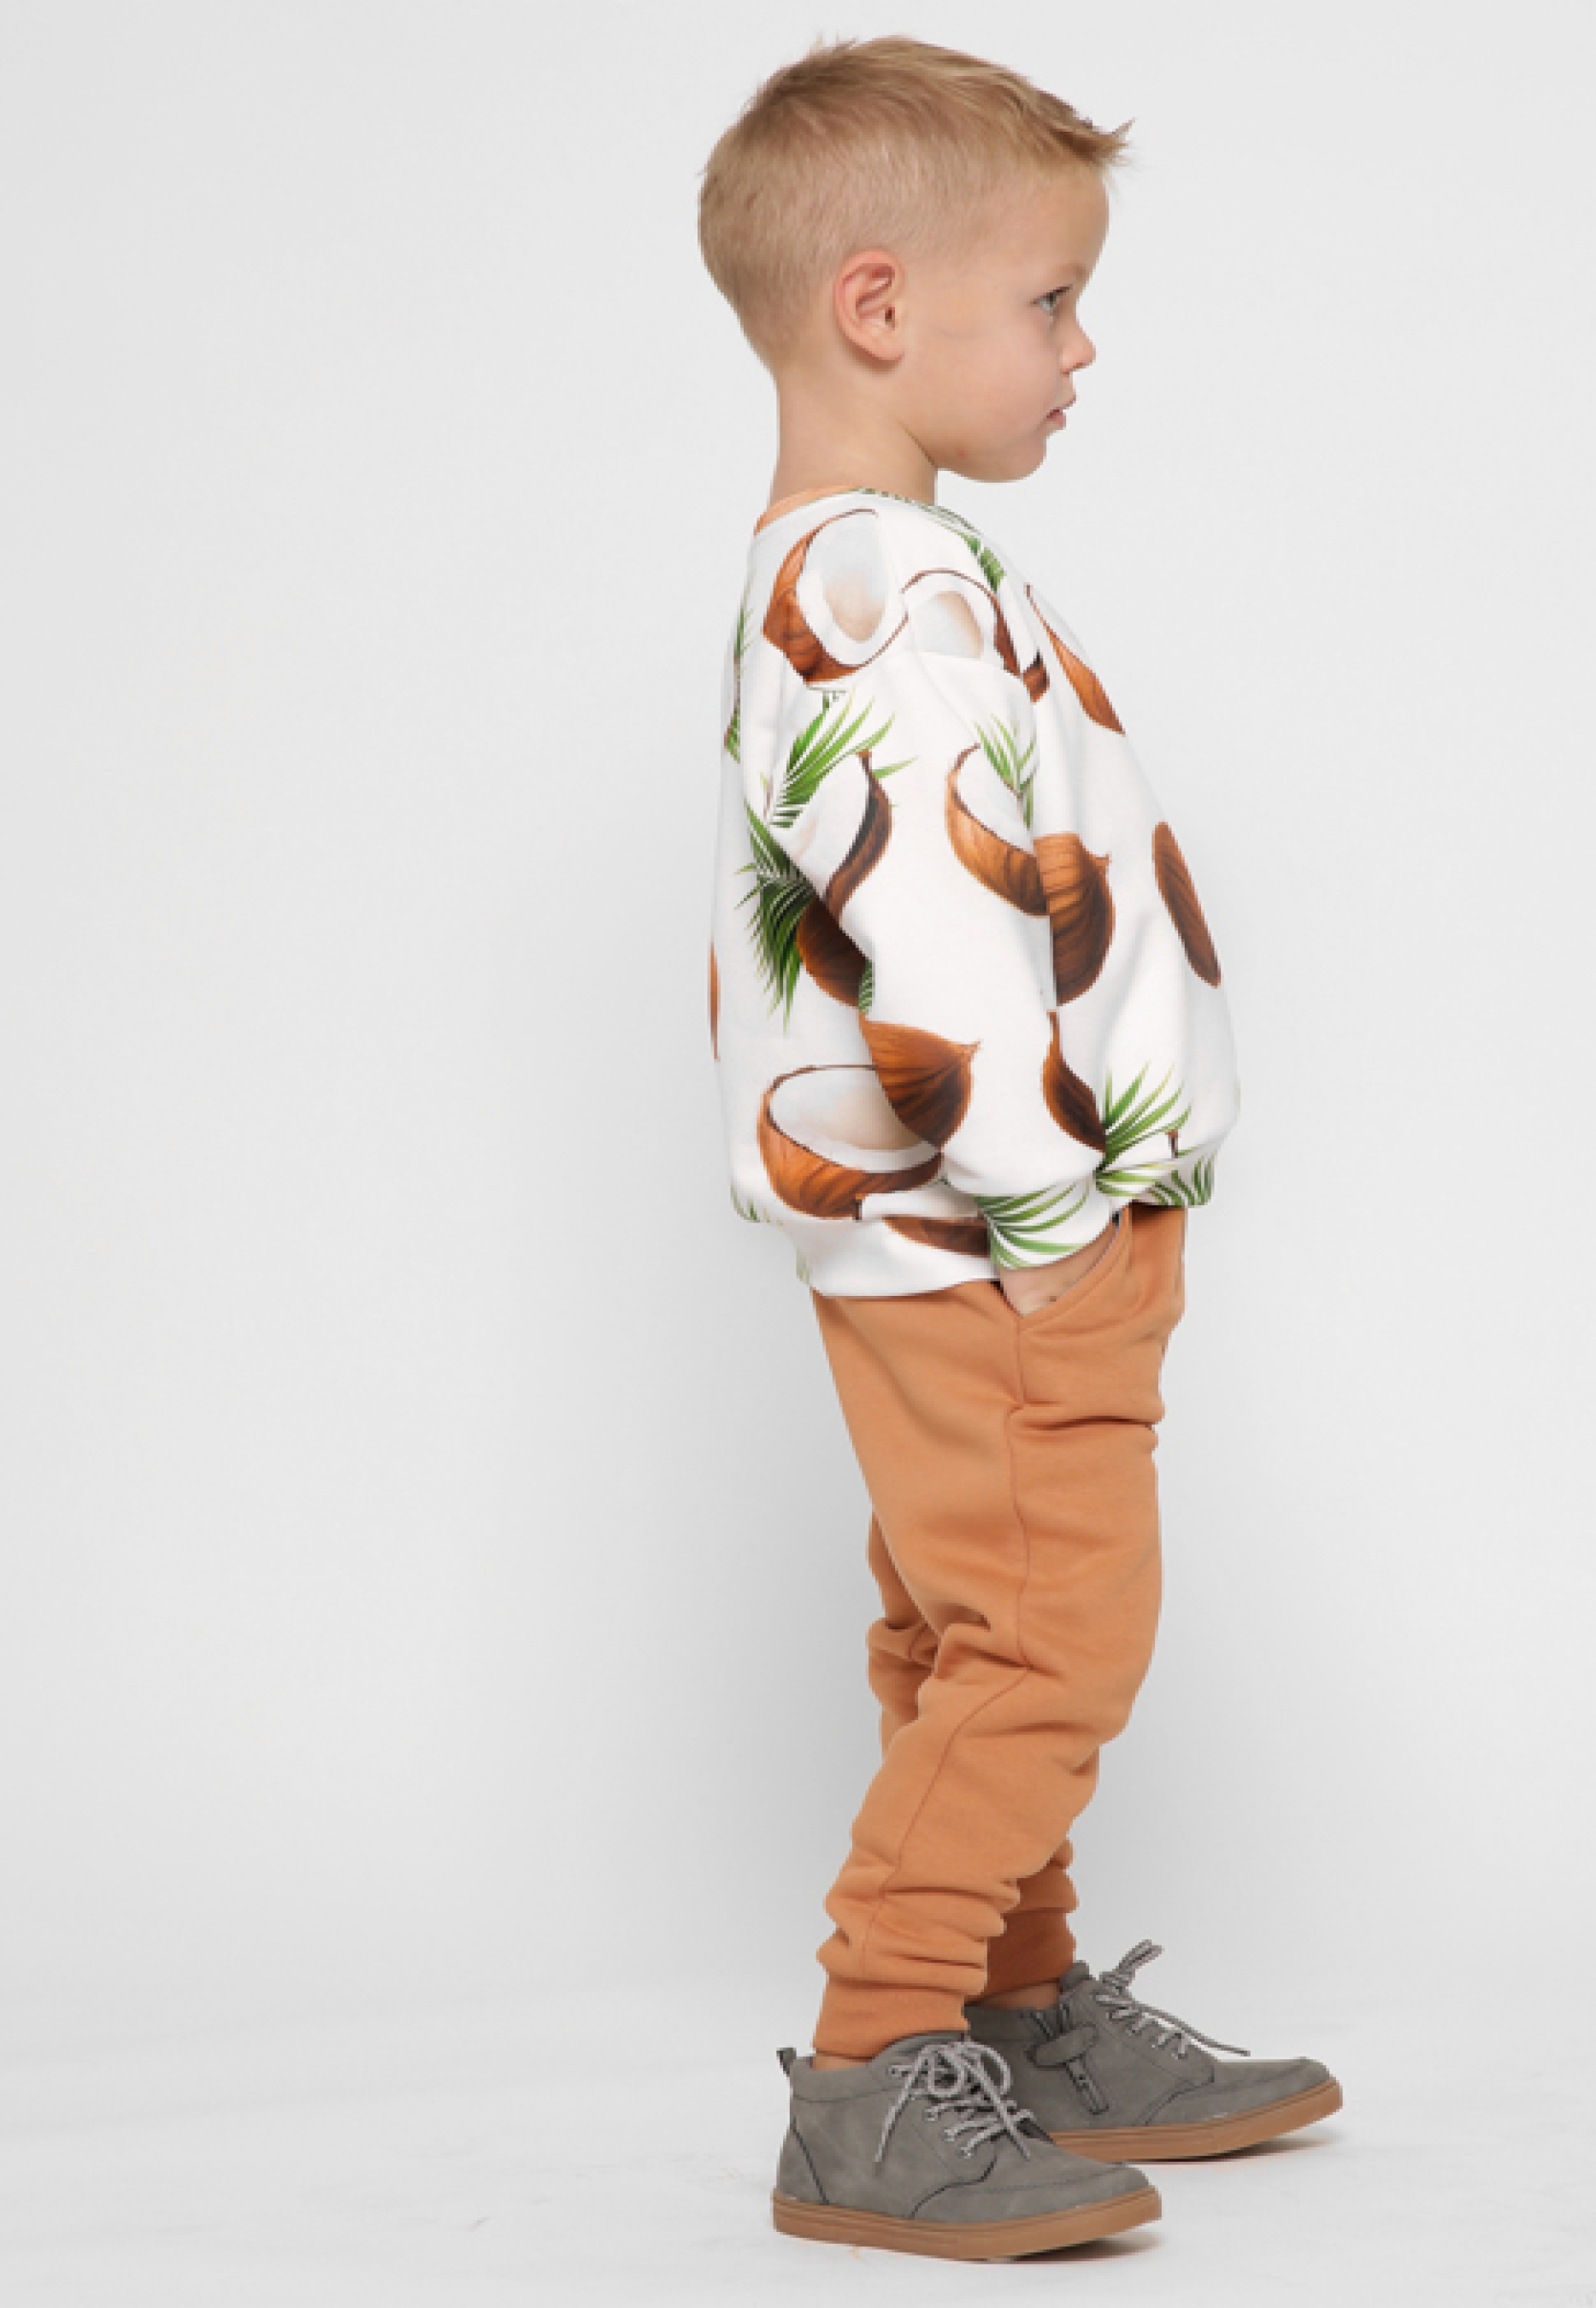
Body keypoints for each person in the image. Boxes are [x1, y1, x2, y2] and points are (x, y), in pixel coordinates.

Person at [697, 34, 1342, 2262]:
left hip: (954, 1226)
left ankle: (1013, 2004)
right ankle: (877, 2070)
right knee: (1055, 1633)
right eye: (1052, 300)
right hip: (1002, 1231)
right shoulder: (892, 593)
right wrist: (1056, 1208)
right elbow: (943, 941)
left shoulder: (866, 569)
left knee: (976, 1621)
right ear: (878, 308)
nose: (1084, 349)